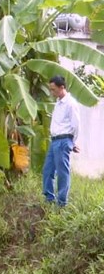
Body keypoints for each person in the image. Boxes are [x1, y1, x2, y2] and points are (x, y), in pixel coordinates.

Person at [43, 75, 80, 207]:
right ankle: (49, 198)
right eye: (50, 89)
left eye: (53, 89)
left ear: (62, 87)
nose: (51, 92)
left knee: (62, 173)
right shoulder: (58, 103)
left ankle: (61, 203)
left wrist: (72, 142)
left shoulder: (70, 103)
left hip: (64, 140)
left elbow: (75, 125)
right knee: (47, 170)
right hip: (55, 141)